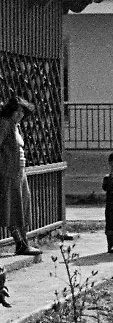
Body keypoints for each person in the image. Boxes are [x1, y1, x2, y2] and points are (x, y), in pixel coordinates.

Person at [0, 96, 41, 255]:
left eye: (22, 111)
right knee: (13, 208)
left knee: (22, 206)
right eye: (16, 110)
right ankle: (21, 243)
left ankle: (23, 243)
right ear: (10, 110)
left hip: (19, 171)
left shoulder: (15, 126)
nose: (19, 114)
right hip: (9, 172)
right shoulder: (4, 124)